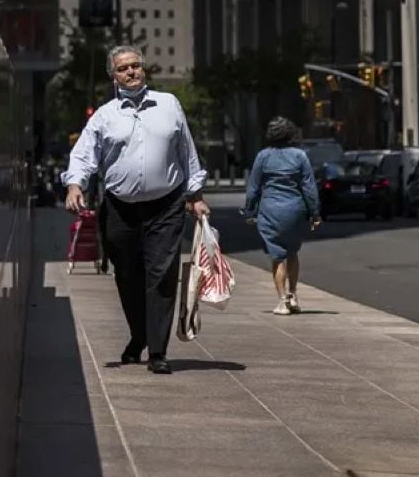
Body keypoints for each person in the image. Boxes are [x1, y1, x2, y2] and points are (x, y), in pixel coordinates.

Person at [63, 45, 208, 375]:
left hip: (166, 205)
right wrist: (75, 185)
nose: (131, 72)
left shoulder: (169, 105)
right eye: (123, 68)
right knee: (127, 276)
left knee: (161, 274)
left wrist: (194, 194)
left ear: (143, 69)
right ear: (112, 76)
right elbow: (84, 155)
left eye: (135, 66)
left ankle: (157, 350)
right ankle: (138, 336)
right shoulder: (104, 115)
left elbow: (186, 150)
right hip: (120, 208)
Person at [242, 117, 323, 315]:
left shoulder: (263, 156)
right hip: (296, 209)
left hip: (270, 210)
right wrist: (315, 213)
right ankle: (293, 294)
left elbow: (253, 188)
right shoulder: (300, 156)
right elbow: (309, 187)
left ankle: (282, 301)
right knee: (293, 252)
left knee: (278, 256)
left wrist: (249, 211)